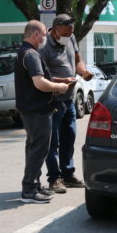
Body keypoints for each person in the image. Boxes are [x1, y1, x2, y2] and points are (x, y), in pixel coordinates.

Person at [15, 20, 70, 204]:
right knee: (39, 149)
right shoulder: (30, 54)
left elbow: (39, 79)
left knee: (34, 148)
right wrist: (59, 87)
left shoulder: (26, 53)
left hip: (31, 109)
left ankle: (34, 185)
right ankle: (29, 189)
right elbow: (39, 83)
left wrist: (60, 80)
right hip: (37, 110)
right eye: (44, 34)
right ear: (36, 34)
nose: (45, 38)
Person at [39, 13, 93, 194]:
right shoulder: (43, 45)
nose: (68, 37)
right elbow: (40, 77)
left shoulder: (70, 37)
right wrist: (62, 80)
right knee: (52, 142)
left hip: (69, 100)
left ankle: (68, 174)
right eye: (65, 33)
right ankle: (54, 178)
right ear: (55, 29)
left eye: (71, 33)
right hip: (53, 101)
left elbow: (77, 60)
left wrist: (83, 71)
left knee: (69, 139)